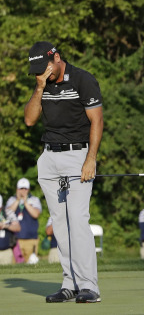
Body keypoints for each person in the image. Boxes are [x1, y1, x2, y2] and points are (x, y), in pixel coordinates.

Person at [24, 41, 104, 303]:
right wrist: (39, 87)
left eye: (43, 67)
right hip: (49, 157)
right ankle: (69, 283)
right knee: (59, 223)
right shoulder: (42, 84)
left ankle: (89, 286)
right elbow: (30, 119)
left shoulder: (83, 80)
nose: (41, 73)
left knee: (77, 220)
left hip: (78, 155)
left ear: (56, 58)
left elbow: (97, 120)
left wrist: (90, 159)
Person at [6, 177, 42, 262]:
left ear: (28, 189)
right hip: (15, 241)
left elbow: (36, 214)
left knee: (32, 264)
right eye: (21, 188)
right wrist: (18, 200)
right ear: (17, 189)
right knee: (16, 265)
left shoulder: (34, 199)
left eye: (25, 188)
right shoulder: (12, 199)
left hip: (31, 239)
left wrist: (25, 202)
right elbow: (7, 213)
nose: (23, 191)